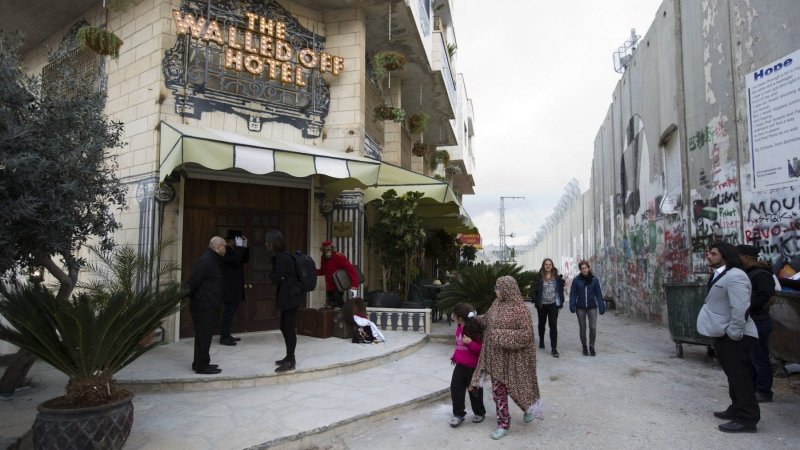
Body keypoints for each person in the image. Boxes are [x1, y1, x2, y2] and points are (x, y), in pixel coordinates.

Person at [469, 276, 543, 440]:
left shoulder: (520, 309)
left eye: (498, 287)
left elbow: (527, 335)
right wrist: (474, 318)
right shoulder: (496, 305)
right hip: (497, 359)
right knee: (498, 392)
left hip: (516, 360)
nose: (496, 290)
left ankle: (527, 408)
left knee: (521, 387)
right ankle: (503, 424)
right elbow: (487, 320)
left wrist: (499, 335)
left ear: (507, 289)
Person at [696, 242, 759, 433]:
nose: (709, 256)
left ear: (725, 256)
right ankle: (736, 408)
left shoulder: (736, 276)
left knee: (740, 376)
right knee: (733, 375)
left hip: (736, 335)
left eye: (713, 253)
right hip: (724, 333)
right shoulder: (722, 274)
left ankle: (747, 418)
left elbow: (740, 307)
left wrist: (734, 332)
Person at [187, 236, 226, 375]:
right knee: (203, 336)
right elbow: (194, 281)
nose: (225, 249)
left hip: (208, 303)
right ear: (218, 246)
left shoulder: (213, 260)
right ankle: (202, 366)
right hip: (203, 305)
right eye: (224, 246)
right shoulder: (206, 260)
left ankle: (199, 362)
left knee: (204, 336)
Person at [266, 229, 303, 373]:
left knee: (289, 328)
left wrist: (278, 277)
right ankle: (288, 356)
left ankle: (290, 360)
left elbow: (275, 278)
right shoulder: (284, 256)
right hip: (290, 296)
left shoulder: (282, 258)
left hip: (290, 297)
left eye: (267, 242)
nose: (266, 245)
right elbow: (277, 277)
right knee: (284, 326)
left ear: (274, 243)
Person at [449, 303, 486, 428]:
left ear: (460, 317)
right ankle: (458, 414)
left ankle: (479, 412)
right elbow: (458, 344)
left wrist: (470, 343)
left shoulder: (474, 329)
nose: (452, 316)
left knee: (475, 391)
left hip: (473, 367)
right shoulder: (459, 327)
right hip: (460, 365)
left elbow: (481, 349)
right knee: (456, 389)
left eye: (454, 315)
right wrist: (455, 356)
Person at [219, 231, 249, 346]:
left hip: (235, 286)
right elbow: (235, 261)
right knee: (228, 312)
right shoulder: (226, 250)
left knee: (232, 312)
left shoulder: (236, 250)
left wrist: (245, 247)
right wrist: (240, 248)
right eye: (236, 240)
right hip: (229, 287)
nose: (237, 243)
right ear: (231, 241)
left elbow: (244, 260)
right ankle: (224, 337)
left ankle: (227, 334)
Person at [569, 260, 605, 356]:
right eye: (582, 268)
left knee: (593, 327)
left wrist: (601, 306)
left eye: (586, 268)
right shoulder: (576, 280)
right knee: (582, 327)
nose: (584, 270)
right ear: (580, 270)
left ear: (588, 268)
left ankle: (591, 346)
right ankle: (584, 346)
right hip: (580, 307)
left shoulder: (594, 280)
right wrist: (572, 305)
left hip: (592, 307)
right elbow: (573, 294)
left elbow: (598, 294)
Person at [533, 258, 565, 357]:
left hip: (553, 304)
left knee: (553, 325)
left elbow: (560, 290)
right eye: (546, 264)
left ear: (552, 265)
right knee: (541, 324)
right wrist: (536, 301)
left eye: (550, 264)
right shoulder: (539, 277)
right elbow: (533, 290)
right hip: (542, 305)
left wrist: (561, 301)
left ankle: (554, 349)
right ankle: (541, 339)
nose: (548, 266)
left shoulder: (557, 278)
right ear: (543, 266)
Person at [316, 240, 358, 307]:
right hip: (329, 287)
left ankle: (343, 315)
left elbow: (351, 270)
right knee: (331, 305)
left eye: (329, 249)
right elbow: (323, 271)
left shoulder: (339, 257)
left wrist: (354, 286)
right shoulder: (323, 257)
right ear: (323, 250)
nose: (327, 251)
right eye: (325, 249)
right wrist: (313, 272)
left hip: (338, 286)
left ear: (332, 248)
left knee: (339, 305)